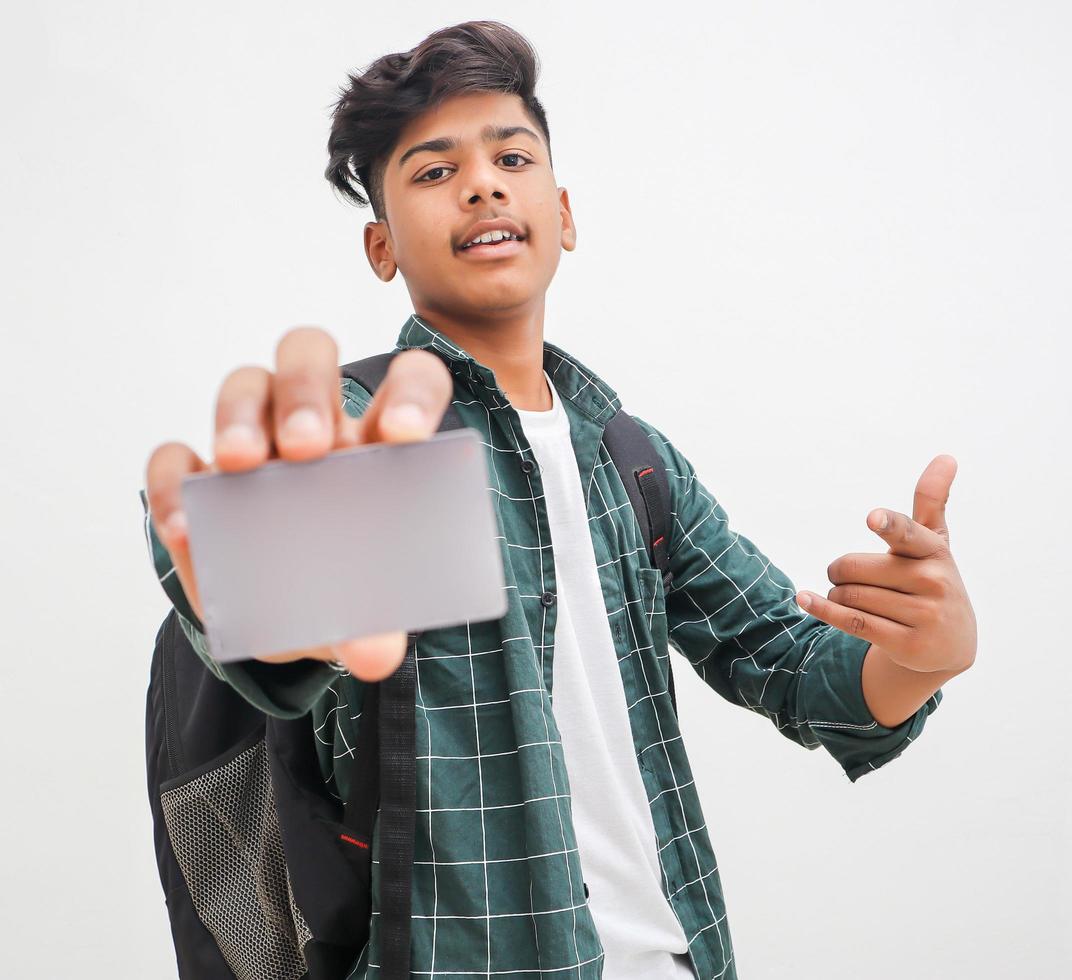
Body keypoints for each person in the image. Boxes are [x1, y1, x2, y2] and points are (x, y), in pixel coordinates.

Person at [141, 20, 976, 980]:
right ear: (382, 247)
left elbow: (792, 668)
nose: (484, 183)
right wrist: (269, 575)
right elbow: (250, 593)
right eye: (432, 171)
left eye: (512, 156)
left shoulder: (633, 458)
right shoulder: (369, 430)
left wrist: (924, 659)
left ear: (565, 213)